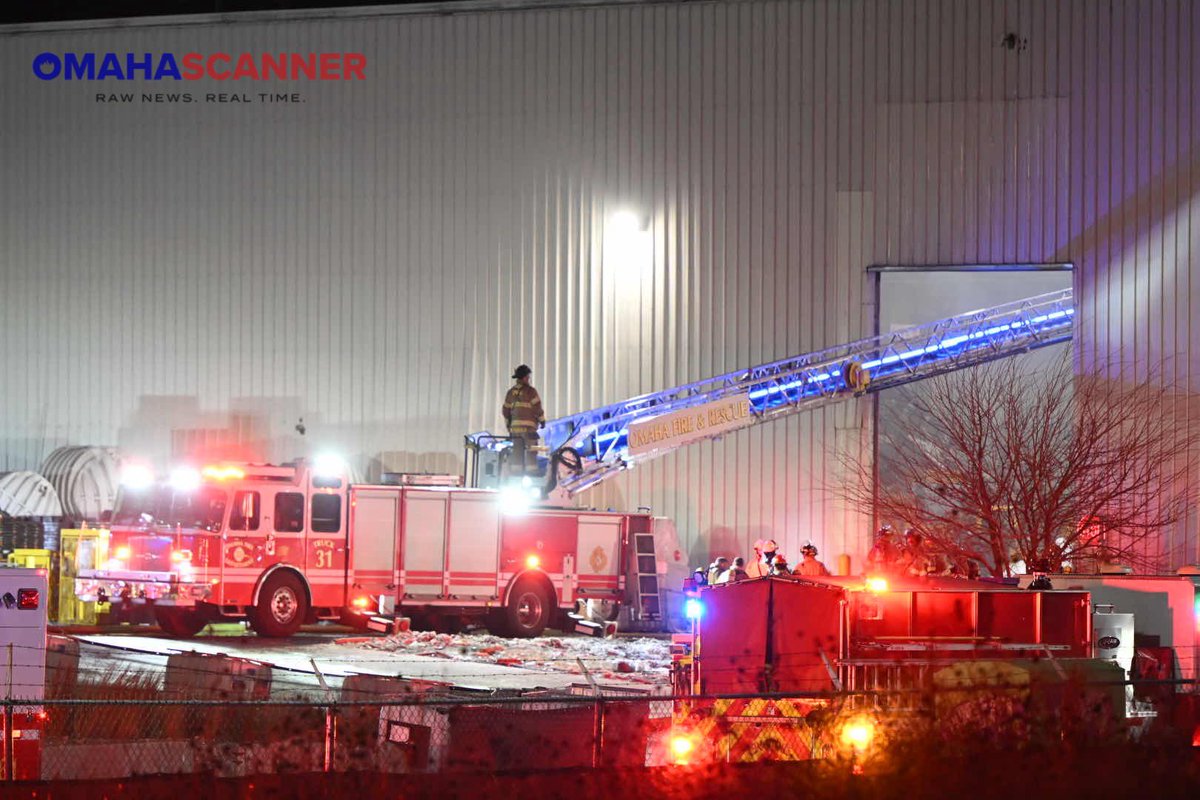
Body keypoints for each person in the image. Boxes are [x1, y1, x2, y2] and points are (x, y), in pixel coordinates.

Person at [502, 364, 546, 477]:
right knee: (532, 450)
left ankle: (516, 474)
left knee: (517, 452)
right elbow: (537, 408)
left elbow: (506, 411)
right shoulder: (531, 392)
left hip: (515, 431)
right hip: (529, 429)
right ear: (525, 377)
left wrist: (509, 426)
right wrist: (542, 420)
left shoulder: (510, 393)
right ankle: (532, 473)